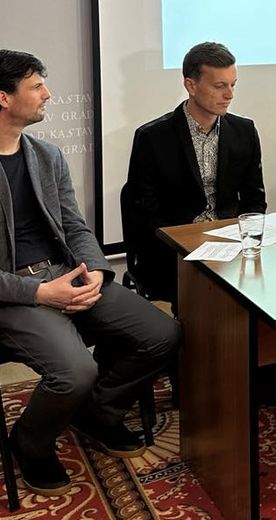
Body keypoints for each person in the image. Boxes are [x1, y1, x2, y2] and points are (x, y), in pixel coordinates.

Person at [0, 49, 180, 496]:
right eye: (36, 86)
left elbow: (75, 226)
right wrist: (40, 294)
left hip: (67, 272)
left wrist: (96, 269)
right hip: (14, 294)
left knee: (162, 334)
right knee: (75, 371)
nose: (48, 94)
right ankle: (30, 442)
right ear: (3, 97)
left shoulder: (46, 155)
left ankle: (97, 410)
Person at [127, 42, 276, 411]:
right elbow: (145, 213)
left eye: (233, 84)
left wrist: (248, 237)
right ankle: (198, 383)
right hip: (174, 253)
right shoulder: (153, 137)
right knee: (211, 291)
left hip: (233, 243)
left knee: (273, 283)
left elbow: (255, 198)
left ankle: (271, 379)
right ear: (190, 85)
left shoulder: (243, 131)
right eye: (219, 86)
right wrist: (188, 244)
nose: (229, 94)